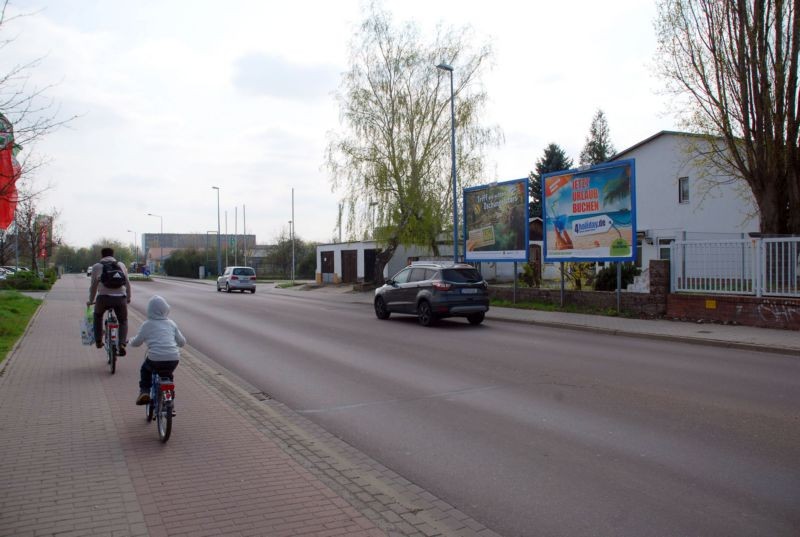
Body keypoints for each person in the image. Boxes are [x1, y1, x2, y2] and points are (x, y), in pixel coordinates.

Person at [130, 295, 186, 405]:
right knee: (168, 375)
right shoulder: (171, 323)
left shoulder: (147, 325)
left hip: (155, 358)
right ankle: (169, 401)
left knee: (145, 370)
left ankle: (144, 392)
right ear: (165, 309)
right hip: (173, 358)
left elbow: (137, 342)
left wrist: (131, 341)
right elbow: (182, 342)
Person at [88, 247, 131, 355]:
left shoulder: (97, 267)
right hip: (120, 298)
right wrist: (128, 298)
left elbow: (93, 286)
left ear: (102, 255)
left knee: (97, 316)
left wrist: (90, 300)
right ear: (113, 255)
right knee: (123, 321)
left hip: (103, 299)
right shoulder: (121, 265)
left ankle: (98, 341)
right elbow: (127, 283)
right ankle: (121, 343)